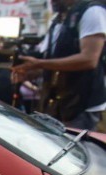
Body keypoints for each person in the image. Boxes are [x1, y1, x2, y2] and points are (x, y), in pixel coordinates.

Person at [13, 0, 106, 130]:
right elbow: (56, 63)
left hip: (82, 104)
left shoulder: (92, 12)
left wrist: (40, 64)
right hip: (58, 103)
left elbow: (89, 60)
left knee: (76, 148)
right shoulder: (58, 20)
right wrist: (31, 72)